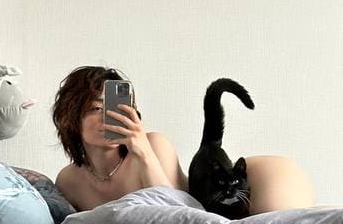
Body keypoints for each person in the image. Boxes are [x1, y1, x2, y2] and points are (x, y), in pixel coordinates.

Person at [52, 65, 314, 214]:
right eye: (96, 108)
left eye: (114, 107)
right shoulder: (68, 180)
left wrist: (142, 151)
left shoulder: (154, 145)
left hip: (255, 179)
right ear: (70, 118)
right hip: (223, 203)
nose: (108, 117)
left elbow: (174, 212)